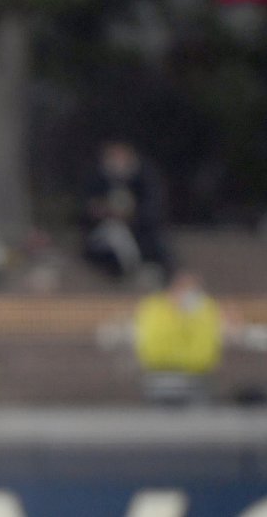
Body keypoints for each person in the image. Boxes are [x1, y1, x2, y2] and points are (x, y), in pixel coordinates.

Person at [83, 139, 173, 284]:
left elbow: (153, 207)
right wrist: (102, 212)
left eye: (122, 157)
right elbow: (88, 208)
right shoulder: (96, 179)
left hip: (140, 231)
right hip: (106, 234)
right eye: (114, 156)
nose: (118, 161)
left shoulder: (145, 178)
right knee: (113, 239)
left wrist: (131, 216)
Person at [132, 269, 223, 405]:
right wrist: (178, 318)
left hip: (196, 379)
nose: (188, 294)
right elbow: (153, 350)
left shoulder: (205, 309)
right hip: (159, 378)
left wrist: (189, 319)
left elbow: (205, 353)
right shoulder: (154, 308)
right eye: (184, 288)